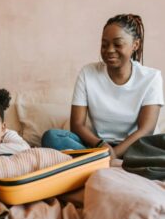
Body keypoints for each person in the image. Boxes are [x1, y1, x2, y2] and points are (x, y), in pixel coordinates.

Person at [42, 14, 164, 159]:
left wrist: (113, 155)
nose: (109, 50)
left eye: (117, 44)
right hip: (96, 146)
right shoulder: (87, 73)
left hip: (134, 148)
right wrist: (101, 146)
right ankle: (103, 162)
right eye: (104, 44)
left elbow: (146, 130)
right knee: (52, 137)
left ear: (135, 45)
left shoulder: (151, 77)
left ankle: (94, 163)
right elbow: (77, 124)